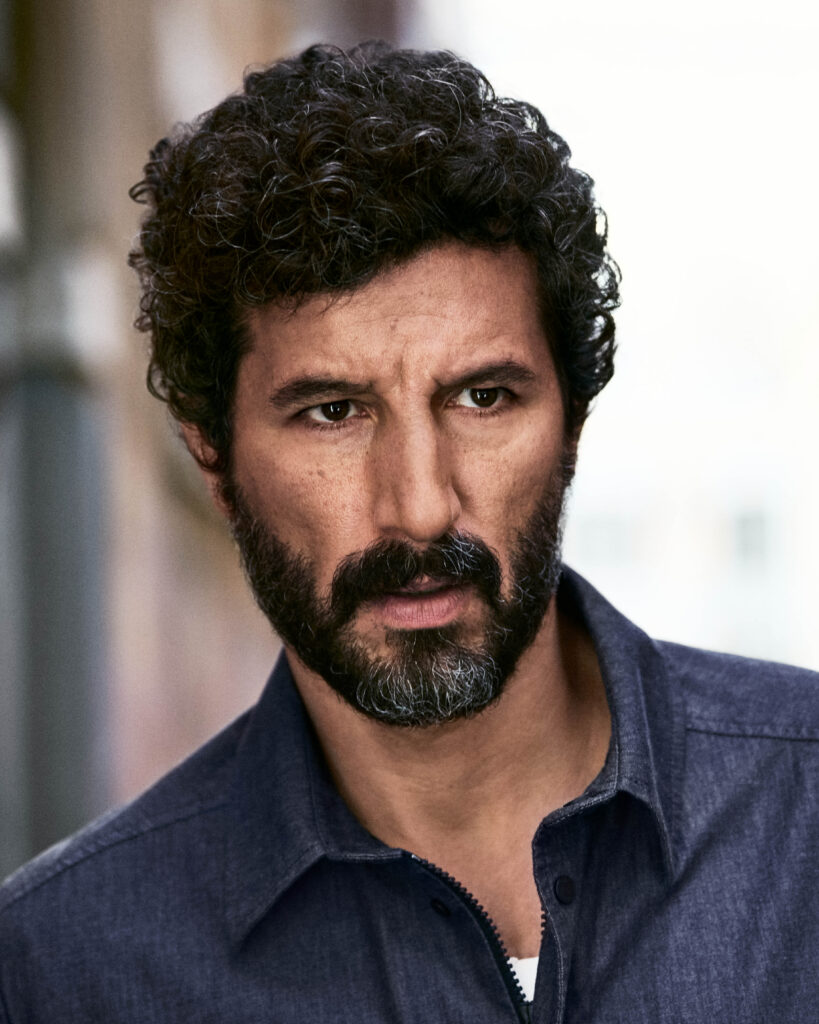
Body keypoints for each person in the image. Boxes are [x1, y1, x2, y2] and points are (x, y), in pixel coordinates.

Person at [0, 41, 816, 1024]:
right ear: (212, 457)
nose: (421, 506)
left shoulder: (801, 810)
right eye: (333, 413)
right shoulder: (67, 968)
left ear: (570, 422)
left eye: (483, 397)